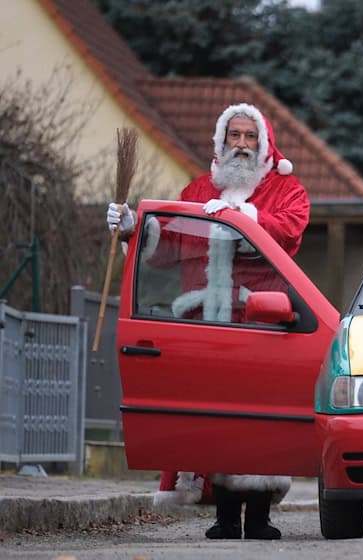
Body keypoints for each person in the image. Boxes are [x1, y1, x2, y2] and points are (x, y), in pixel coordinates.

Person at [106, 103, 310, 539]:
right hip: (205, 332)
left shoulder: (286, 190)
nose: (241, 144)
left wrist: (244, 219)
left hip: (260, 329)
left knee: (257, 426)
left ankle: (258, 517)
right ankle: (223, 516)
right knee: (215, 421)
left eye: (249, 136)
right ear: (221, 142)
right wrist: (131, 230)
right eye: (233, 135)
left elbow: (290, 232)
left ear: (264, 143)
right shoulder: (198, 191)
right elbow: (166, 248)